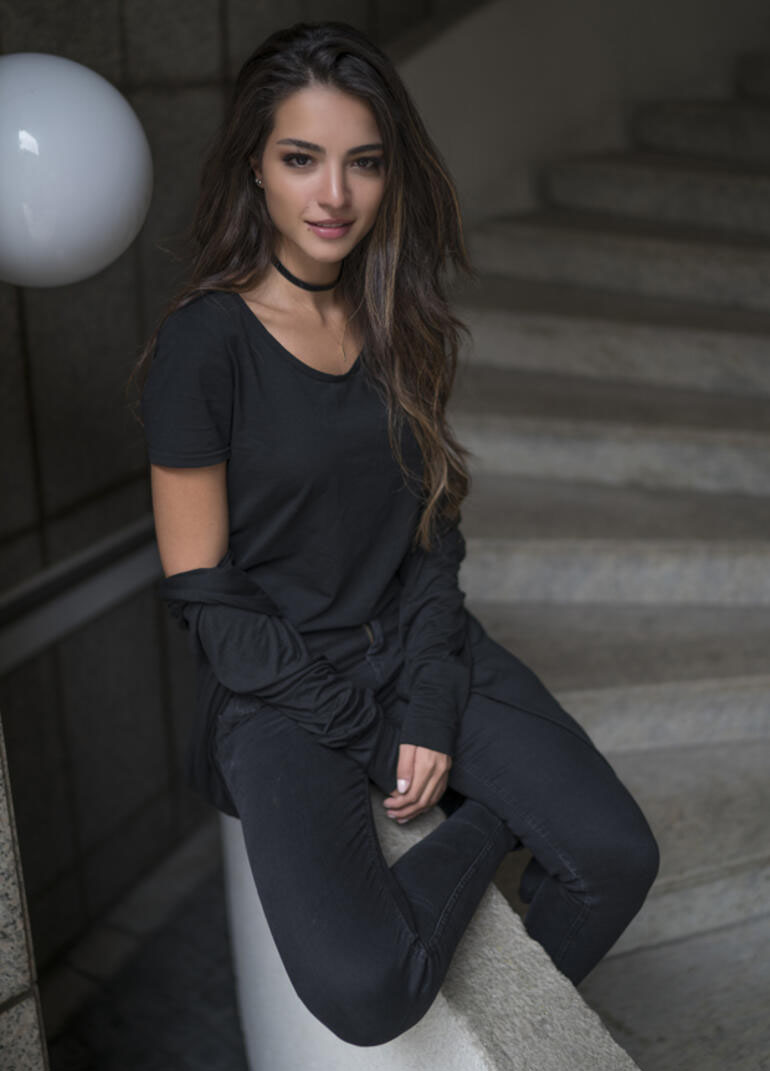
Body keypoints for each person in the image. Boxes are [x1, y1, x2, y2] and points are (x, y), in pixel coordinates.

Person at [131, 20, 659, 1048]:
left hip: (415, 638)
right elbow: (207, 597)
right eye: (301, 158)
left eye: (363, 163)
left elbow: (433, 533)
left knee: (613, 856)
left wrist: (428, 697)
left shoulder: (396, 317)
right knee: (368, 990)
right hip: (280, 683)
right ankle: (492, 820)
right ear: (254, 166)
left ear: (389, 173)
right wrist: (379, 738)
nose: (334, 194)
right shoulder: (204, 344)